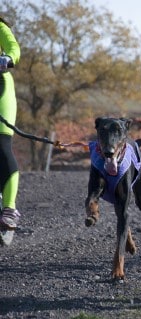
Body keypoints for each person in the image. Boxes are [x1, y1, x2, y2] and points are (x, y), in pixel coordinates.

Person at [0, 16, 21, 246]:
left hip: (0, 87)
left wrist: (8, 57)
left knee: (2, 146)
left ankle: (9, 209)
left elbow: (13, 47)